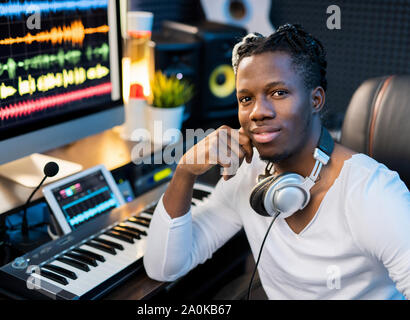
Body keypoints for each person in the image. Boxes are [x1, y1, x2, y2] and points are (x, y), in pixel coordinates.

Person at [143, 24, 410, 299]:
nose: (258, 112)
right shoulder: (248, 174)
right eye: (246, 98)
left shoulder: (373, 192)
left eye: (278, 92)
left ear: (315, 100)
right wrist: (185, 172)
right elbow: (165, 267)